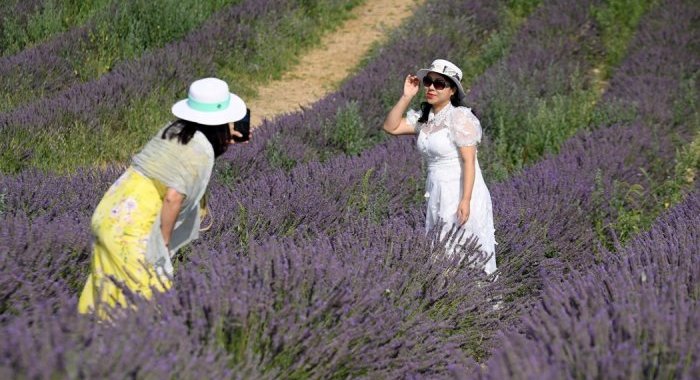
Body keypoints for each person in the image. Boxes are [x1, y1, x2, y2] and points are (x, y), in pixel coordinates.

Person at [78, 77, 250, 316]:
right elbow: (173, 197)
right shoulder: (199, 150)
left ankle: (91, 343)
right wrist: (163, 244)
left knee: (106, 296)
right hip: (132, 227)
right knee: (149, 300)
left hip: (110, 213)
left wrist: (223, 142)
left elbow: (182, 168)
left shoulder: (174, 131)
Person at [382, 59, 497, 275]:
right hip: (436, 191)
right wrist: (407, 96)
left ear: (452, 90)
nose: (432, 88)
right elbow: (391, 127)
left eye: (440, 84)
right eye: (428, 82)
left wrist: (466, 200)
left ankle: (475, 302)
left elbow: (469, 161)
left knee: (464, 251)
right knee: (441, 253)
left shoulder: (460, 117)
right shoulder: (426, 118)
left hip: (460, 190)